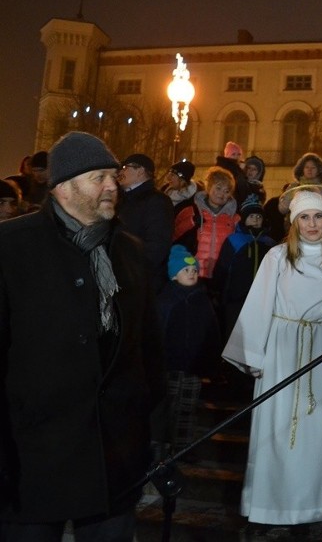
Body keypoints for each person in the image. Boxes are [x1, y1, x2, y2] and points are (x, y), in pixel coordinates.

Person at [0, 131, 164, 541]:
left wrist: (151, 439)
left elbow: (148, 355)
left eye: (115, 175)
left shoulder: (129, 253)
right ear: (62, 187)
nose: (114, 186)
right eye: (99, 178)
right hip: (30, 463)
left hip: (112, 464)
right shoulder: (11, 248)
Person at [221, 190, 322, 534]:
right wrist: (253, 353)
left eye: (318, 217)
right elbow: (260, 303)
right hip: (281, 352)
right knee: (275, 430)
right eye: (304, 217)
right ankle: (265, 506)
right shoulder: (277, 257)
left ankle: (309, 507)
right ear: (294, 222)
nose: (312, 224)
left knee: (315, 435)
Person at [154, 245, 221, 455]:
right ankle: (162, 447)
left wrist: (212, 362)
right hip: (169, 366)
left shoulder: (202, 300)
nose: (192, 274)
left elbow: (212, 333)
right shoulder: (165, 301)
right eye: (186, 270)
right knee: (168, 406)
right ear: (174, 275)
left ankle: (183, 447)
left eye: (194, 270)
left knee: (187, 408)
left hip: (193, 367)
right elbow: (156, 332)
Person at [212, 193, 277, 340]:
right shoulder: (234, 240)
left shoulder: (269, 243)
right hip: (236, 298)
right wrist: (217, 290)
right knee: (233, 335)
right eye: (251, 216)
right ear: (244, 219)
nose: (255, 219)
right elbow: (223, 266)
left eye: (259, 217)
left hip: (262, 299)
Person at [117, 153, 175, 294]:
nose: (121, 172)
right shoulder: (122, 199)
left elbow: (156, 247)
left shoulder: (157, 201)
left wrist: (131, 272)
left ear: (140, 171)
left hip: (141, 283)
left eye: (125, 167)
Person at [173, 166, 239, 281]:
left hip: (220, 278)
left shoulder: (234, 219)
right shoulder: (191, 211)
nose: (221, 194)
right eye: (218, 188)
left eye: (226, 191)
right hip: (192, 275)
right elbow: (174, 236)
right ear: (208, 187)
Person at [216, 141, 252, 207]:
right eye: (233, 154)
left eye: (239, 154)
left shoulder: (236, 167)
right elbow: (240, 184)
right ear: (227, 155)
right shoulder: (229, 167)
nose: (236, 156)